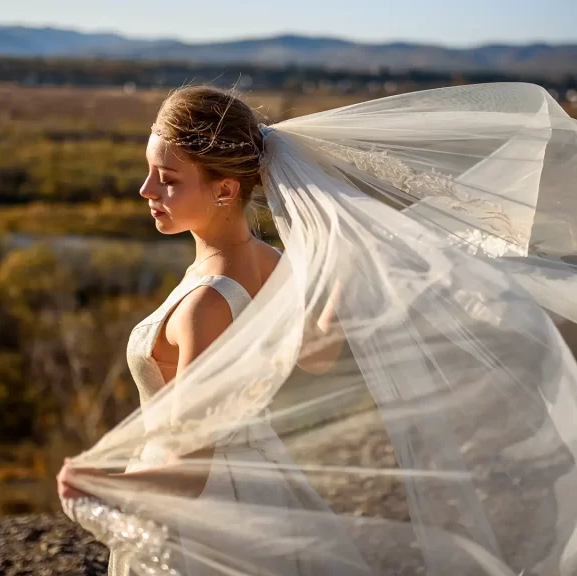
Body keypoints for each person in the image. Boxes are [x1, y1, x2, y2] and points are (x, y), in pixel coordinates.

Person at [56, 83, 577, 576]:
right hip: (268, 490)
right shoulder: (277, 263)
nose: (146, 189)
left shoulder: (206, 304)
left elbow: (193, 470)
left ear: (225, 190)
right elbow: (314, 358)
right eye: (149, 172)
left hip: (209, 516)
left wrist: (101, 484)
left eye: (167, 179)